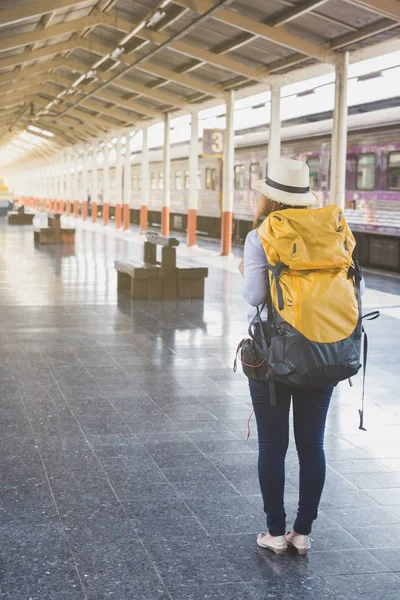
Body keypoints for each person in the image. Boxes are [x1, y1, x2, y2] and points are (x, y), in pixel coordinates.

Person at [242, 158, 334, 556]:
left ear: (269, 197)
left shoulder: (261, 235)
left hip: (274, 356)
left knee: (272, 445)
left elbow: (254, 296)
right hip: (323, 351)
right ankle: (303, 532)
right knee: (312, 445)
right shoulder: (333, 232)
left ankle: (275, 534)